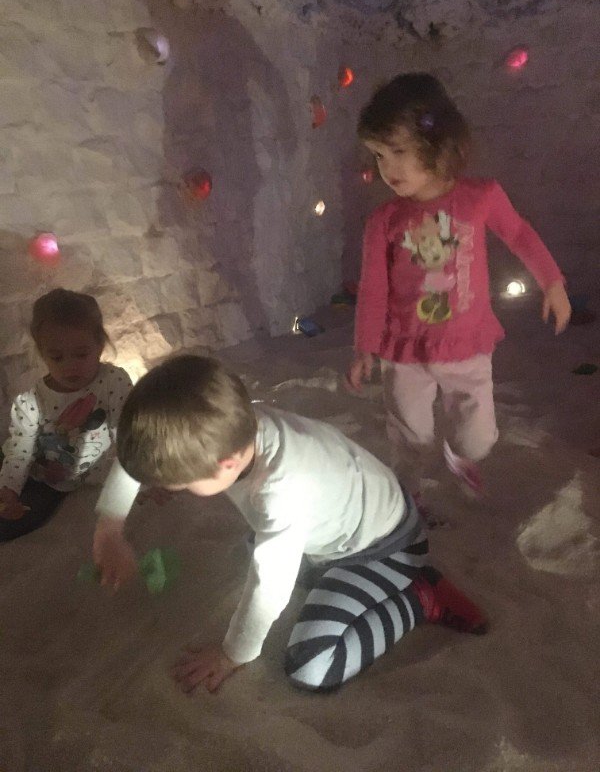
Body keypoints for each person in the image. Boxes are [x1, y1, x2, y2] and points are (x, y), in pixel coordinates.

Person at [94, 354, 487, 693]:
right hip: (343, 524)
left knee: (311, 666)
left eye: (178, 483)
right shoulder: (229, 421)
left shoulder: (280, 492)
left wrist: (233, 654)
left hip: (384, 549)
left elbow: (269, 589)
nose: (169, 488)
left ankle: (419, 600)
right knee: (255, 551)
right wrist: (109, 528)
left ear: (225, 465)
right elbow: (141, 450)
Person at [346, 73, 571, 500]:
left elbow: (518, 234)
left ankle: (459, 457)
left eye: (399, 152)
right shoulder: (384, 221)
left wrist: (552, 281)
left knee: (478, 439)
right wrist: (364, 347)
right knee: (410, 435)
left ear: (436, 143)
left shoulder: (480, 197)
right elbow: (373, 288)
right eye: (378, 155)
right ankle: (407, 495)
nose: (388, 168)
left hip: (467, 345)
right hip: (405, 351)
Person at [0, 288, 139, 542]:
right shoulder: (32, 401)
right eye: (57, 357)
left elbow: (127, 431)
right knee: (10, 520)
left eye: (81, 354)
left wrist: (134, 476)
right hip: (45, 478)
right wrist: (9, 489)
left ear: (99, 346)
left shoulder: (113, 381)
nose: (70, 366)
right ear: (43, 354)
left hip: (93, 475)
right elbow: (20, 450)